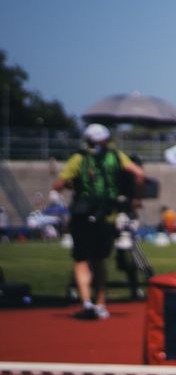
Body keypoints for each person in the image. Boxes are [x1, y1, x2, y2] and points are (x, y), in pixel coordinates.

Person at [52, 123, 145, 320]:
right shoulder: (116, 156)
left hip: (82, 213)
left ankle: (86, 301)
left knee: (81, 259)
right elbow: (139, 174)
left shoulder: (79, 158)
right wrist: (135, 198)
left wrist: (72, 183)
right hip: (107, 213)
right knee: (100, 259)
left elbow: (58, 185)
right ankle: (101, 303)